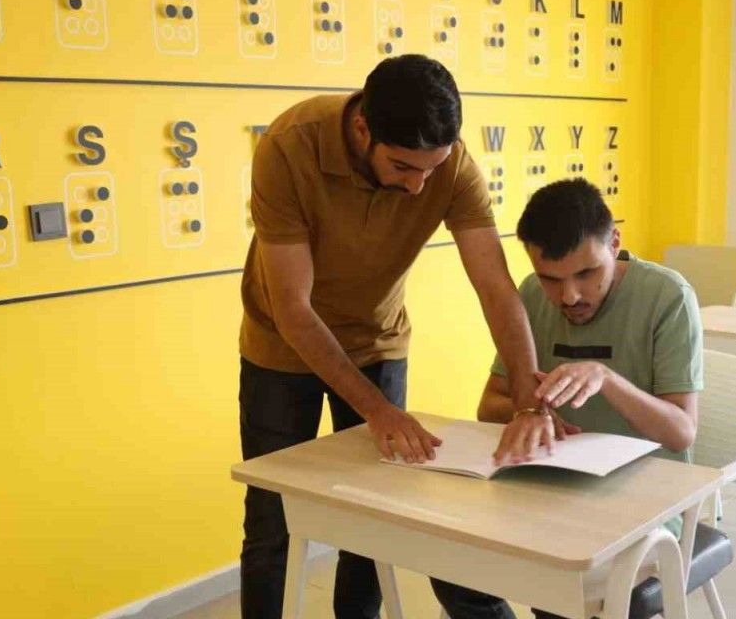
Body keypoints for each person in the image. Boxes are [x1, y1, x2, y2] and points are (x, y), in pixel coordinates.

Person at [239, 55, 560, 619]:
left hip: (377, 342)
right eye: (404, 167)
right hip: (280, 348)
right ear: (363, 129)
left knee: (377, 512)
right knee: (273, 518)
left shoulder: (451, 165)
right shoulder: (288, 147)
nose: (418, 186)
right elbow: (294, 310)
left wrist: (530, 404)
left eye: (431, 171)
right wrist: (379, 412)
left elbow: (495, 287)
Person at [430, 177, 705, 619]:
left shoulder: (667, 296)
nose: (569, 296)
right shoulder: (529, 295)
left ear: (614, 243)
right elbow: (490, 405)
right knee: (451, 566)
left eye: (586, 274)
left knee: (560, 590)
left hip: (645, 501)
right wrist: (534, 411)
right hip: (549, 489)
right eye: (550, 279)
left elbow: (681, 432)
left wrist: (606, 379)